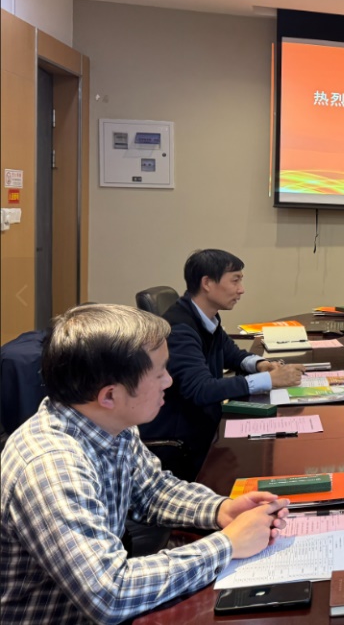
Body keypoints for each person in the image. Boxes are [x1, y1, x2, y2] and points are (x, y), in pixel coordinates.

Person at [0, 304, 290, 624]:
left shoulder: (109, 422)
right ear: (110, 395)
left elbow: (151, 491)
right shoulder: (52, 468)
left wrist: (221, 510)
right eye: (159, 373)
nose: (169, 381)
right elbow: (110, 594)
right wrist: (227, 545)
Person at [140, 249, 303, 480]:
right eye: (235, 280)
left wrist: (261, 365)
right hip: (184, 442)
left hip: (205, 424)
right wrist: (269, 380)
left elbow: (230, 352)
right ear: (207, 283)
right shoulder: (180, 329)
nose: (241, 289)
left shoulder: (206, 317)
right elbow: (201, 389)